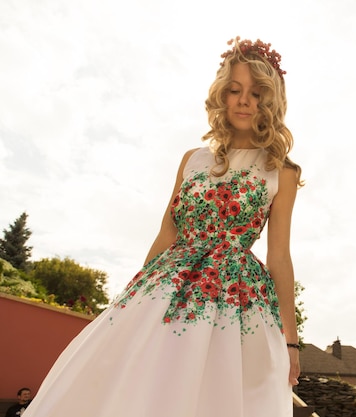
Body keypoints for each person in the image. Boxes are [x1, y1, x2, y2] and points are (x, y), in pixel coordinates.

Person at [23, 37, 302, 417]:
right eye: (235, 90)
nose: (243, 101)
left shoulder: (281, 171)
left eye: (256, 94)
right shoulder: (193, 159)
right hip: (169, 283)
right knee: (141, 384)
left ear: (269, 102)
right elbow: (168, 232)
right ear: (222, 94)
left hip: (238, 300)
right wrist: (131, 297)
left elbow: (279, 256)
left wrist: (291, 342)